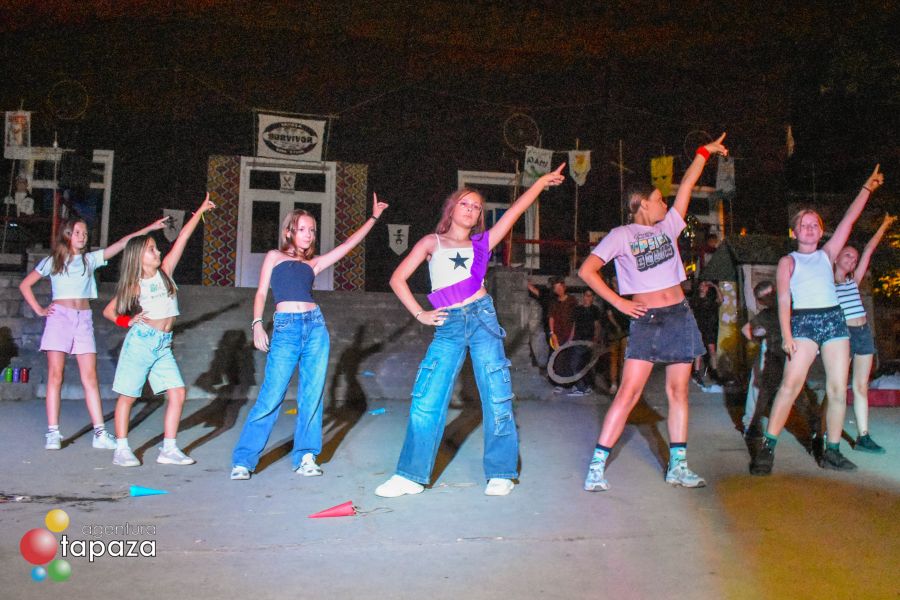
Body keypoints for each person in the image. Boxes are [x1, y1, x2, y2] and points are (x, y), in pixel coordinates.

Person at [375, 164, 566, 498]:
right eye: (465, 203)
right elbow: (397, 279)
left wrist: (540, 184)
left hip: (482, 319)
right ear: (452, 208)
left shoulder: (482, 242)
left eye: (477, 207)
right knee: (427, 397)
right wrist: (420, 313)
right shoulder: (431, 242)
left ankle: (501, 472)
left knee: (496, 395)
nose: (471, 209)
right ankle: (410, 476)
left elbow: (516, 211)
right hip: (448, 324)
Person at [578, 133, 728, 491]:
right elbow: (587, 270)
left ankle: (678, 466)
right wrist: (619, 302)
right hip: (647, 319)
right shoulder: (621, 235)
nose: (665, 204)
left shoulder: (669, 226)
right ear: (642, 203)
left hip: (679, 315)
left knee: (679, 392)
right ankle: (596, 467)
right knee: (628, 393)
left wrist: (704, 152)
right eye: (659, 200)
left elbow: (687, 183)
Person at [230, 195, 389, 480]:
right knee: (271, 395)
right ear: (289, 231)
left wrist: (374, 217)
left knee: (312, 395)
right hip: (285, 329)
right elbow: (261, 293)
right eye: (302, 229)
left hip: (315, 327)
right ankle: (244, 460)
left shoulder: (313, 264)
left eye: (312, 230)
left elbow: (347, 246)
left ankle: (306, 456)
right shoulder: (274, 257)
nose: (308, 234)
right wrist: (257, 324)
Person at [750, 165, 884, 475]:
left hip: (834, 321)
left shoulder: (827, 254)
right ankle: (767, 448)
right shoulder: (788, 261)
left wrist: (866, 188)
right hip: (805, 323)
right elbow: (784, 300)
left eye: (814, 225)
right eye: (804, 225)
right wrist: (787, 335)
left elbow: (849, 220)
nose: (810, 228)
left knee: (837, 389)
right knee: (790, 385)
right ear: (794, 233)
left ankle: (832, 451)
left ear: (821, 232)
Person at [19, 214, 168, 451]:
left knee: (90, 377)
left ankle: (100, 433)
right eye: (77, 232)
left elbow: (123, 243)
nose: (82, 237)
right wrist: (39, 310)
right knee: (55, 375)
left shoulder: (90, 260)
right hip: (59, 319)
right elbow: (25, 285)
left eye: (85, 233)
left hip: (83, 320)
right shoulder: (53, 261)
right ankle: (53, 432)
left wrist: (151, 227)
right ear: (68, 235)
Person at [102, 194, 215, 467]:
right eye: (152, 250)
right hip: (141, 343)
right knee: (128, 396)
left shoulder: (166, 271)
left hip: (163, 344)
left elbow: (183, 237)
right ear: (139, 258)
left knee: (177, 392)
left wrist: (200, 210)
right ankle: (121, 449)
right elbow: (109, 311)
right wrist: (127, 321)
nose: (158, 252)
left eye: (156, 248)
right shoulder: (136, 284)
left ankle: (169, 449)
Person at [834, 213, 895, 454]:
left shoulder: (853, 281)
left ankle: (863, 436)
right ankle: (827, 430)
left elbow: (869, 249)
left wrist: (884, 225)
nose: (852, 260)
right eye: (848, 255)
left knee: (860, 386)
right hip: (844, 334)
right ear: (836, 256)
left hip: (863, 333)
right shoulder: (828, 283)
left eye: (855, 258)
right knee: (837, 387)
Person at [567, 289, 603, 396]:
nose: (588, 298)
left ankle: (582, 388)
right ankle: (584, 387)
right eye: (587, 295)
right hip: (578, 339)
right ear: (583, 296)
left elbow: (597, 326)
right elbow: (574, 325)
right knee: (578, 364)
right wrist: (570, 339)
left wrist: (595, 340)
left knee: (578, 364)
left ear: (593, 297)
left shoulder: (595, 310)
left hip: (588, 340)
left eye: (590, 296)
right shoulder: (577, 309)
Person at [547, 275, 578, 392]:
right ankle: (560, 384)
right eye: (556, 288)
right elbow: (551, 318)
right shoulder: (553, 303)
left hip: (569, 334)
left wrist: (572, 335)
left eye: (560, 287)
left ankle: (571, 384)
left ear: (564, 287)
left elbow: (575, 319)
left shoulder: (572, 300)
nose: (558, 290)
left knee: (570, 359)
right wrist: (552, 333)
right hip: (558, 335)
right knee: (559, 359)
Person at [691, 279, 723, 386]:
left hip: (710, 328)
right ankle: (696, 372)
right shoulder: (695, 301)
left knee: (712, 350)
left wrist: (715, 286)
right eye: (702, 285)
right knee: (699, 351)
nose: (703, 286)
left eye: (705, 285)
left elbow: (721, 300)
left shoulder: (711, 301)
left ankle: (714, 372)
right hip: (699, 328)